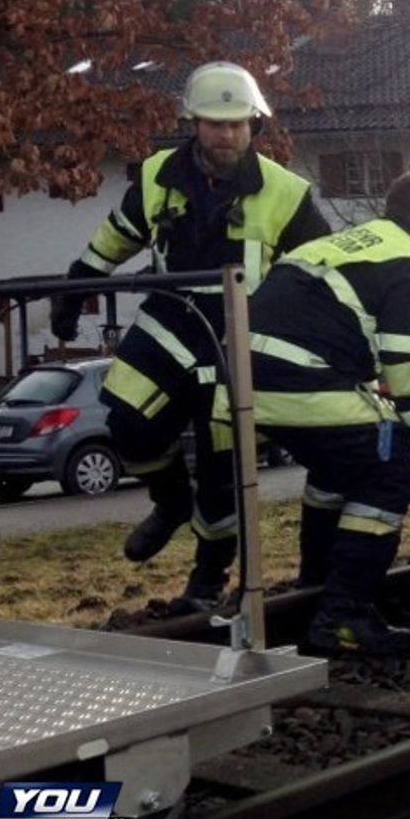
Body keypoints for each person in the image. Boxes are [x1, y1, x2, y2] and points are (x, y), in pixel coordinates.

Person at [49, 62, 330, 610]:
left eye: (236, 125)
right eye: (214, 124)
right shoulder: (156, 176)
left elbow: (323, 275)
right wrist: (72, 294)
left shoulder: (288, 193)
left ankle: (206, 581)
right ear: (193, 124)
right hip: (171, 321)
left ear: (254, 127)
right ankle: (170, 501)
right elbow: (111, 243)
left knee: (224, 473)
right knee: (128, 420)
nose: (226, 135)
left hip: (240, 340)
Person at [239, 172, 410, 654]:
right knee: (389, 477)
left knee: (336, 469)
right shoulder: (409, 264)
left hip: (246, 380)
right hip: (301, 378)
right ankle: (342, 614)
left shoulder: (348, 243)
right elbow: (407, 366)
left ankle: (317, 581)